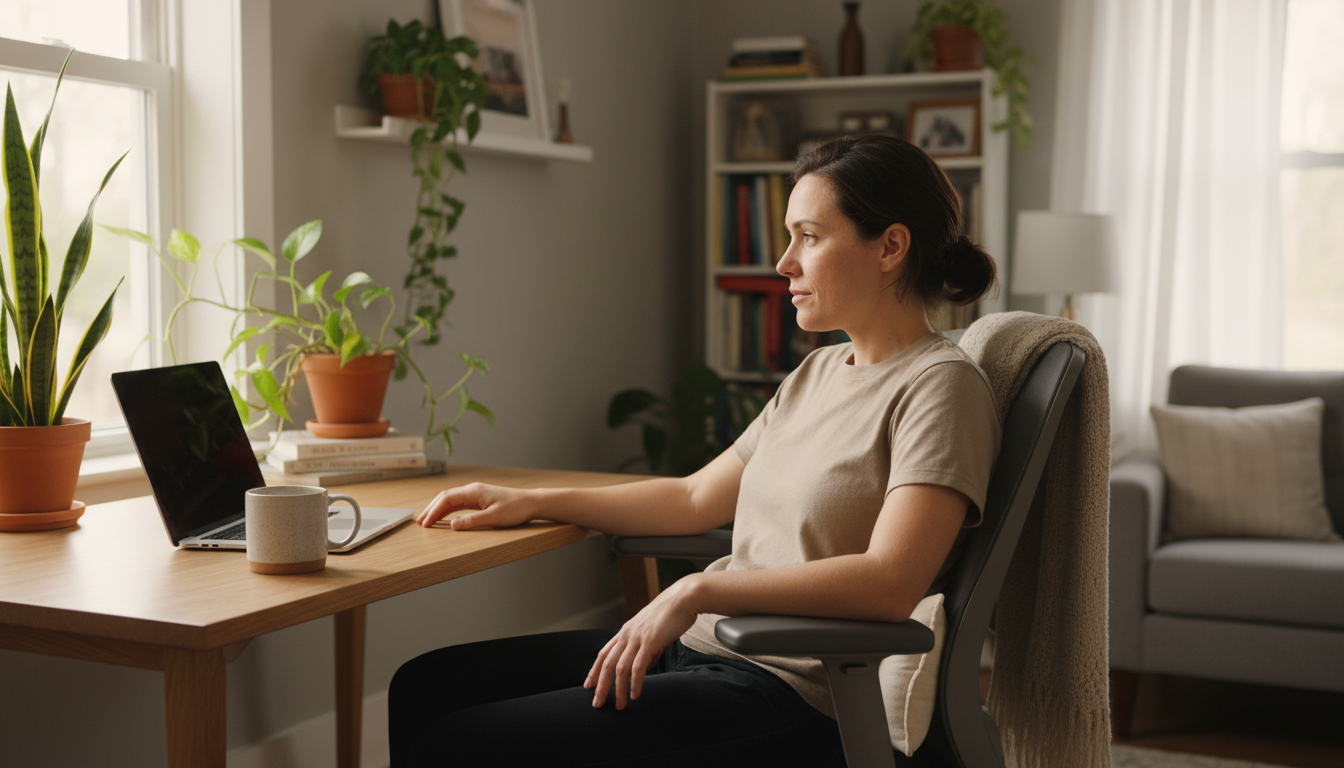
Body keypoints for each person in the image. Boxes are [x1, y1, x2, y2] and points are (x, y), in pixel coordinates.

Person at [388, 134, 1001, 767]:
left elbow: (890, 582)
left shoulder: (940, 388)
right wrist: (531, 500)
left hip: (794, 691)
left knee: (461, 745)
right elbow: (692, 497)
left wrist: (695, 591)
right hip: (705, 648)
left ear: (891, 247)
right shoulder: (818, 371)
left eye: (809, 237)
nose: (784, 263)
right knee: (424, 686)